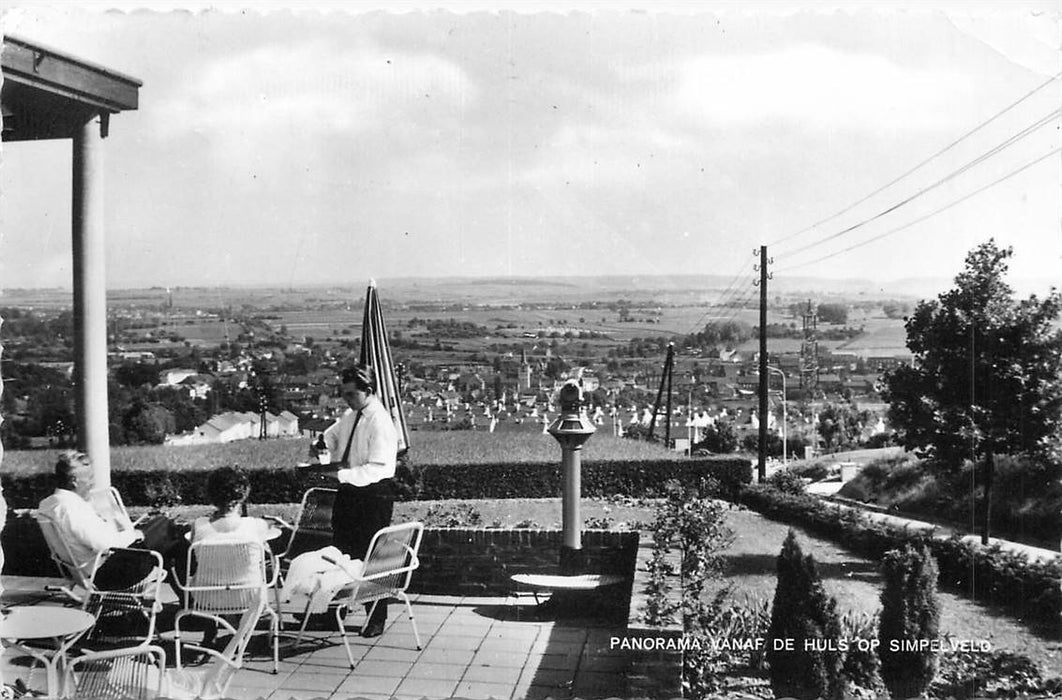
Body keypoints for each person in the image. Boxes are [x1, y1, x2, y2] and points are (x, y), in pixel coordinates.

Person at [316, 363, 398, 638]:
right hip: (350, 493)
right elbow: (334, 434)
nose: (346, 399)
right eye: (344, 394)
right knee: (339, 553)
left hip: (374, 496)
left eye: (351, 394)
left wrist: (342, 475)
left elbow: (379, 468)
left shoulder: (380, 421)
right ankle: (333, 611)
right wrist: (323, 444)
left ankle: (376, 617)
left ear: (368, 391)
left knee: (372, 557)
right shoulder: (353, 415)